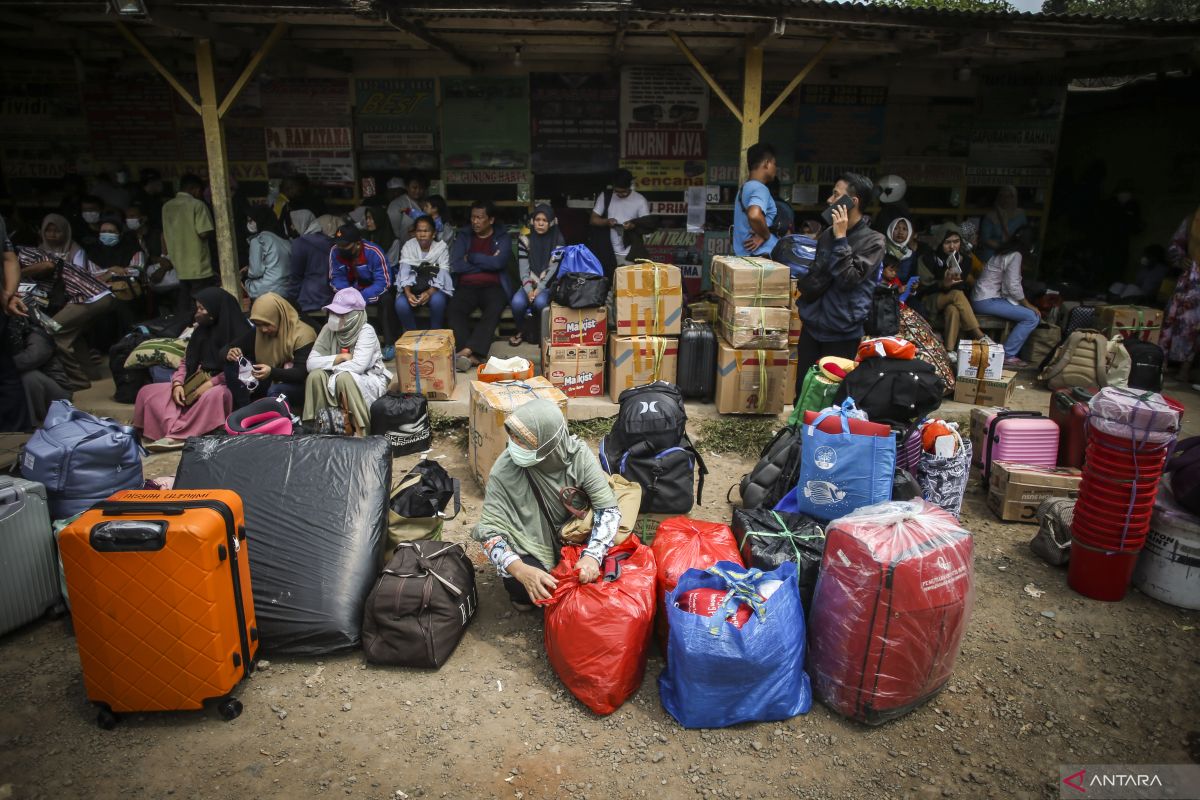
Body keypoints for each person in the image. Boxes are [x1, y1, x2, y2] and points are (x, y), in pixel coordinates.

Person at [472, 399, 620, 610]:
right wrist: (520, 570)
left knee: (612, 568)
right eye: (512, 436)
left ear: (548, 442)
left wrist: (593, 556)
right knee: (520, 584)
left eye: (522, 440)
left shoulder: (577, 456)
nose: (514, 444)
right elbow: (489, 533)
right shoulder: (505, 469)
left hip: (576, 536)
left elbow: (608, 510)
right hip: (531, 544)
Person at [793, 173, 886, 399]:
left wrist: (842, 238)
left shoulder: (874, 241)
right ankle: (797, 433)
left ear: (852, 202)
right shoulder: (826, 234)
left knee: (831, 397)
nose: (829, 200)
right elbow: (817, 272)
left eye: (836, 194)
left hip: (842, 332)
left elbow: (848, 279)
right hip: (813, 326)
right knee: (803, 392)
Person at [132, 287, 249, 450]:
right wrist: (178, 384)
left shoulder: (241, 333)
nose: (197, 313)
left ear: (215, 310)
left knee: (215, 396)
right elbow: (186, 362)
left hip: (225, 384)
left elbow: (240, 369)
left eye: (202, 309)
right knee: (147, 391)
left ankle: (178, 436)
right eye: (197, 308)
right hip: (194, 380)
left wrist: (210, 384)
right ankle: (166, 430)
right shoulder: (200, 332)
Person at [17, 214, 117, 389]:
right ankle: (91, 374)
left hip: (88, 297)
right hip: (99, 296)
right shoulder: (38, 250)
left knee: (51, 331)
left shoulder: (23, 254)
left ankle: (78, 381)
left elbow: (48, 265)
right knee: (73, 335)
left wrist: (19, 273)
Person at [302, 288, 392, 436]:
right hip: (336, 374)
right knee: (316, 376)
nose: (334, 317)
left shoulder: (366, 331)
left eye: (341, 314)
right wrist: (339, 358)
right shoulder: (328, 329)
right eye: (333, 313)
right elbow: (310, 364)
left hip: (367, 378)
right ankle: (318, 427)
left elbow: (358, 366)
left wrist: (331, 367)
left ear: (354, 315)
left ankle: (362, 431)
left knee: (345, 377)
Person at [448, 201, 512, 372]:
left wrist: (473, 257)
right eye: (472, 217)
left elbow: (499, 263)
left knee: (494, 308)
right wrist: (488, 262)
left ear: (490, 220)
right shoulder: (463, 236)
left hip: (493, 286)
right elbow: (457, 265)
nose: (475, 221)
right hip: (467, 285)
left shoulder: (502, 237)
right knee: (454, 308)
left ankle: (466, 351)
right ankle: (472, 354)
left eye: (479, 218)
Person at [225, 292, 316, 409]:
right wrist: (230, 352)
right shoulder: (258, 332)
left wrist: (272, 372)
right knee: (233, 364)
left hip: (298, 386)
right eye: (258, 324)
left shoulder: (303, 334)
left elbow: (300, 373)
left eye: (267, 324)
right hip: (269, 378)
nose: (263, 329)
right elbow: (227, 348)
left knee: (276, 390)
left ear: (279, 317)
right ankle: (245, 410)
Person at [971, 226, 1042, 368]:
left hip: (983, 298)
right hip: (987, 300)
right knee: (1032, 317)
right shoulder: (1016, 255)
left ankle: (1006, 353)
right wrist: (1027, 304)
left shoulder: (1003, 252)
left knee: (1025, 313)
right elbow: (1013, 285)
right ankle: (1007, 355)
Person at [916, 223, 988, 355]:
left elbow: (961, 284)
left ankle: (949, 351)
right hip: (930, 300)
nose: (952, 246)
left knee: (953, 309)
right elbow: (923, 288)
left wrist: (951, 282)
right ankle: (979, 335)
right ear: (940, 242)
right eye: (947, 242)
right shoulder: (927, 259)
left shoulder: (965, 260)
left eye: (956, 241)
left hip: (954, 302)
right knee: (956, 294)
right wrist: (943, 284)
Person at [3, 306, 73, 427]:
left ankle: (32, 425)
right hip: (31, 388)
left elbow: (31, 358)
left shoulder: (37, 332)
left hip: (57, 392)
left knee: (28, 377)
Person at [161, 174, 217, 318]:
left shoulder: (167, 206)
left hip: (179, 263)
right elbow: (204, 232)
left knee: (184, 300)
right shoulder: (197, 205)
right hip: (198, 264)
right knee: (202, 302)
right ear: (195, 189)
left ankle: (182, 325)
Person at [509, 204, 564, 346]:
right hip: (528, 284)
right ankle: (522, 331)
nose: (540, 223)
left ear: (551, 222)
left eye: (545, 220)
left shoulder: (558, 240)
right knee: (517, 303)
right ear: (533, 221)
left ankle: (541, 334)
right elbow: (523, 269)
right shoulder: (525, 239)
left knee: (540, 303)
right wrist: (528, 290)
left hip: (547, 285)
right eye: (537, 219)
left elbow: (553, 269)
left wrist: (539, 289)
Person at [1160, 207, 1200, 384]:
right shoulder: (1193, 219)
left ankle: (1186, 369)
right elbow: (1174, 245)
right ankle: (1161, 364)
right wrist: (1181, 258)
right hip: (1190, 281)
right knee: (1174, 320)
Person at [328, 223, 392, 331]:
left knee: (387, 299)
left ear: (357, 244)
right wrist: (348, 294)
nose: (340, 248)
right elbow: (336, 277)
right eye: (339, 245)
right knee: (332, 300)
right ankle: (337, 340)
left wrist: (361, 296)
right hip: (349, 291)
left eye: (345, 246)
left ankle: (389, 343)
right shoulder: (335, 251)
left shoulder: (373, 252)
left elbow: (383, 282)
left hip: (370, 291)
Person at [395, 215, 452, 332]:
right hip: (412, 287)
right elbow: (404, 269)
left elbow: (444, 272)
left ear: (434, 233)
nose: (422, 234)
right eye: (419, 231)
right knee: (401, 304)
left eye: (426, 231)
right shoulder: (409, 246)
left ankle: (435, 334)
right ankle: (413, 335)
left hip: (434, 288)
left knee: (438, 301)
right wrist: (408, 293)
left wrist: (429, 292)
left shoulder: (441, 248)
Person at [589, 168, 649, 268]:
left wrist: (633, 225)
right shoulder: (605, 196)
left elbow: (647, 225)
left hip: (630, 253)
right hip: (607, 252)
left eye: (624, 192)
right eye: (617, 192)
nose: (621, 195)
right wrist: (606, 222)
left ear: (630, 186)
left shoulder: (640, 200)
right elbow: (593, 220)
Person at [289, 213, 339, 329]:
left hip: (309, 299)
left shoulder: (300, 243)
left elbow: (296, 276)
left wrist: (290, 299)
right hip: (330, 296)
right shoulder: (331, 242)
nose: (291, 227)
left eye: (292, 223)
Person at [733, 143, 781, 258]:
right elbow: (754, 215)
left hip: (746, 257)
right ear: (766, 163)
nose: (776, 168)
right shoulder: (760, 188)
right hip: (761, 258)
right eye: (774, 164)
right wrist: (766, 235)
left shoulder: (744, 189)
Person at [243, 205, 293, 300]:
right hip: (286, 290)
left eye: (251, 220)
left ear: (260, 220)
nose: (249, 224)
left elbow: (255, 272)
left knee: (245, 283)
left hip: (267, 289)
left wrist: (246, 273)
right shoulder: (287, 240)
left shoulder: (258, 240)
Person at [978, 186, 1027, 262]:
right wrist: (1003, 248)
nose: (1005, 199)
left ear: (1014, 198)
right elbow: (985, 238)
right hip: (993, 253)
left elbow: (1024, 235)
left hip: (1013, 252)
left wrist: (1012, 248)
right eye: (1002, 196)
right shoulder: (990, 216)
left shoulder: (1020, 215)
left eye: (1009, 197)